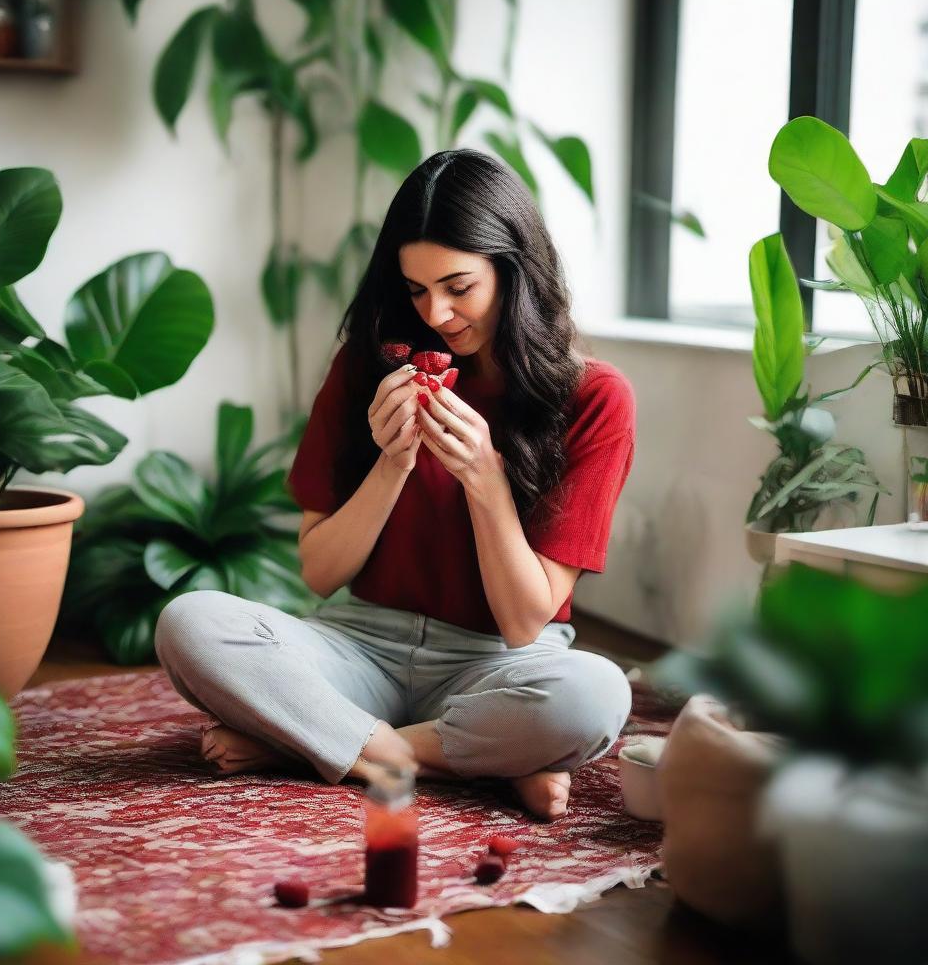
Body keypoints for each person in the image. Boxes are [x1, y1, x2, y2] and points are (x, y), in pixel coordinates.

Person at [155, 149, 635, 820]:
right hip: (359, 647)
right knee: (190, 621)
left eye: (458, 287)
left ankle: (313, 743)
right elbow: (321, 574)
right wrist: (392, 463)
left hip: (497, 662)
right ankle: (476, 761)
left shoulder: (593, 396)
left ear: (514, 269)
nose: (436, 313)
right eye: (416, 289)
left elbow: (526, 622)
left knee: (595, 696)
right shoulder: (365, 371)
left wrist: (485, 477)